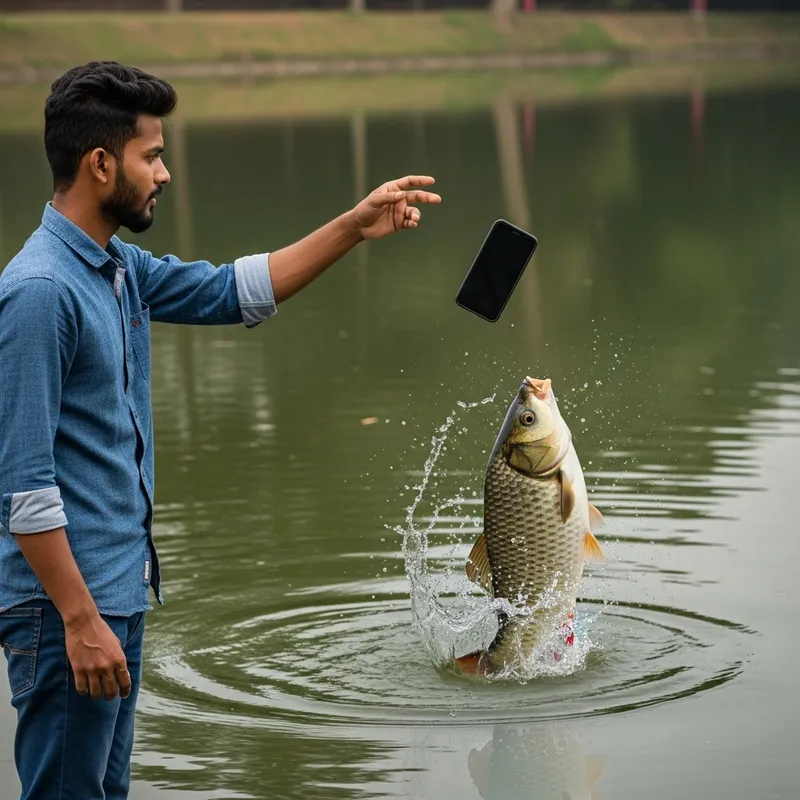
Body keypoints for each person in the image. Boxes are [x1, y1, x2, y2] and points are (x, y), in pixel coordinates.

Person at [0, 61, 441, 800]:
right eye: (152, 156)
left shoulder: (116, 268)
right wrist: (79, 620)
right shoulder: (41, 293)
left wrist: (354, 227)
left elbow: (236, 291)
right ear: (100, 163)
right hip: (66, 614)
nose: (165, 174)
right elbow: (25, 491)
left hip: (116, 596)